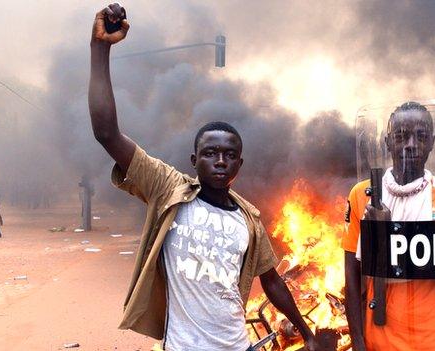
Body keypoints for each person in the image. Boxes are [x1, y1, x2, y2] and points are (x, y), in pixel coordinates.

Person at [88, 4, 322, 351]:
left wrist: (307, 334)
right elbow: (107, 132)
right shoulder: (168, 188)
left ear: (239, 165)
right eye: (211, 154)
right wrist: (100, 49)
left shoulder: (250, 219)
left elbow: (272, 282)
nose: (220, 161)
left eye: (229, 155)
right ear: (194, 160)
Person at [343, 102, 435, 351]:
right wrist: (358, 342)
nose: (411, 144)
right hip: (378, 341)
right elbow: (352, 277)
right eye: (401, 136)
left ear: (432, 142)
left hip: (432, 343)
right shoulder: (363, 194)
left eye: (421, 136)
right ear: (388, 141)